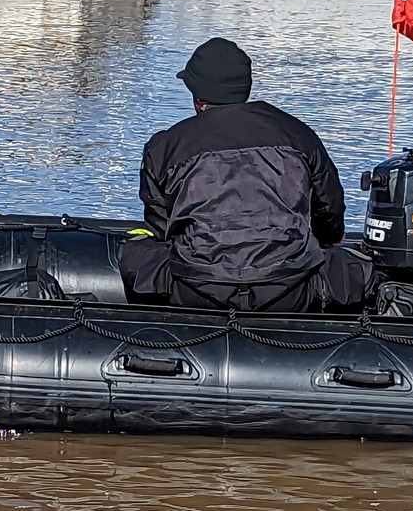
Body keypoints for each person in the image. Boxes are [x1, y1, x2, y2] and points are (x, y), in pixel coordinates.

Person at [119, 37, 370, 313]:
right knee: (346, 263)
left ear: (199, 99)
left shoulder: (164, 147)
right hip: (291, 289)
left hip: (195, 288)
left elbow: (160, 228)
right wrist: (325, 242)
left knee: (136, 249)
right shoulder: (298, 134)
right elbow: (330, 212)